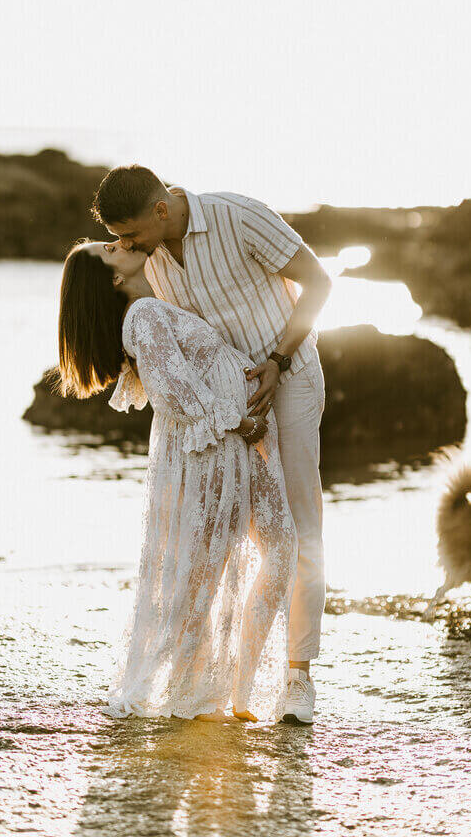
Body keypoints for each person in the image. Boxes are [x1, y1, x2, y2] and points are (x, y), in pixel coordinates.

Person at [92, 166, 331, 725]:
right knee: (221, 536)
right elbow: (149, 326)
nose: (128, 246)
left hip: (288, 379)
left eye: (131, 234)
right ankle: (221, 678)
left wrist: (278, 360)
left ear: (159, 209)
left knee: (299, 525)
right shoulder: (149, 259)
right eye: (119, 241)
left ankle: (298, 677)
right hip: (229, 410)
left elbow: (319, 282)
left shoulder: (237, 216)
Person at [57, 238, 298, 722]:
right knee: (204, 573)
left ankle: (234, 682)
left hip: (227, 441)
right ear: (113, 279)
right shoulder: (142, 316)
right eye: (109, 250)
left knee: (274, 546)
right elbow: (174, 393)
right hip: (213, 447)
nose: (119, 243)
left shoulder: (151, 307)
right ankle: (201, 691)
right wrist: (241, 422)